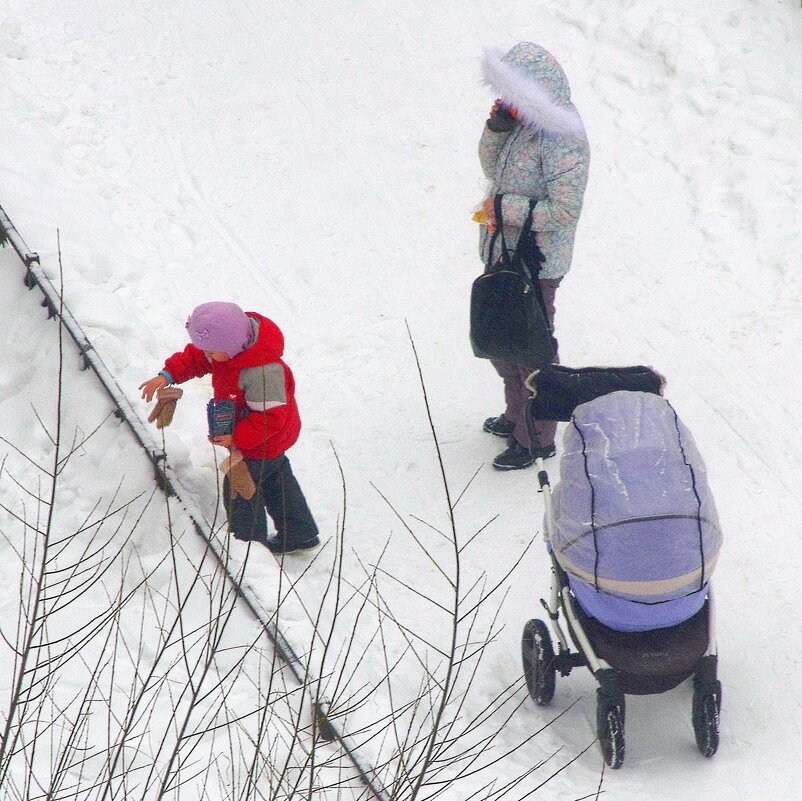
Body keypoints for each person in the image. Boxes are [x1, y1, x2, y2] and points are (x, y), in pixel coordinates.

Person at [476, 42, 590, 470]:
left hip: (537, 261)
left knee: (530, 349)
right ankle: (515, 415)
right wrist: (496, 128)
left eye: (512, 95)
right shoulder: (523, 123)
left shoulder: (565, 138)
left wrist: (504, 210)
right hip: (504, 252)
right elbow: (492, 168)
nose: (505, 101)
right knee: (500, 342)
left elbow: (564, 210)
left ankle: (536, 437)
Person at [139, 301, 320, 555]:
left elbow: (270, 419)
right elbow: (196, 357)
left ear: (232, 346)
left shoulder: (262, 373)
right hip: (267, 437)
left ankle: (248, 551)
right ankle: (300, 534)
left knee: (240, 486)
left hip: (263, 438)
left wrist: (237, 437)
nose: (209, 357)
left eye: (212, 352)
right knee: (276, 479)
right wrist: (167, 375)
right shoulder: (230, 349)